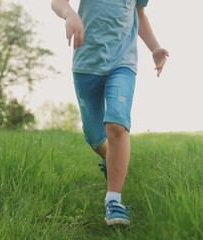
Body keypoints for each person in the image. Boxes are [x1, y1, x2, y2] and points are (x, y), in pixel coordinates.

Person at [51, 0, 169, 226]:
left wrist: (154, 47)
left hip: (122, 63)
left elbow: (140, 14)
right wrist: (69, 14)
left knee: (116, 125)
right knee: (95, 136)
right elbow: (57, 2)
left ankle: (114, 200)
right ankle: (112, 160)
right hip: (86, 64)